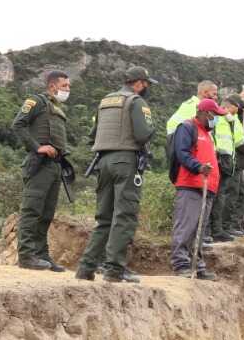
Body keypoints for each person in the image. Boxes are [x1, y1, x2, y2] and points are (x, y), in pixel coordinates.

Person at [74, 67, 157, 283]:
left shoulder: (105, 101)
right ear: (139, 83)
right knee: (125, 215)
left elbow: (92, 135)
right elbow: (143, 133)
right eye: (146, 84)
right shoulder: (136, 102)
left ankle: (86, 268)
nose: (147, 88)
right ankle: (114, 269)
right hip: (126, 161)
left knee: (103, 218)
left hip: (103, 162)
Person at [13, 70, 72, 271]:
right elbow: (18, 124)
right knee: (32, 210)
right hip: (39, 163)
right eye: (65, 86)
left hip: (55, 166)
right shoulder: (36, 101)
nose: (67, 89)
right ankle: (26, 256)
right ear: (53, 85)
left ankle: (41, 254)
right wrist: (37, 146)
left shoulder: (57, 108)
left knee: (47, 213)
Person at [168, 97, 222, 280]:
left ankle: (196, 265)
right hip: (191, 185)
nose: (217, 119)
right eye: (215, 115)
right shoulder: (188, 127)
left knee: (200, 228)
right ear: (206, 113)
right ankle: (181, 263)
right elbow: (181, 153)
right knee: (186, 225)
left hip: (207, 187)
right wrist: (198, 167)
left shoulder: (207, 134)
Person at [209, 92, 244, 241]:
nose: (239, 110)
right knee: (222, 196)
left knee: (227, 195)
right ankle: (218, 229)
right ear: (230, 105)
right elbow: (235, 142)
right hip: (220, 161)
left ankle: (222, 228)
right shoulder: (219, 118)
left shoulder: (232, 120)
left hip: (230, 161)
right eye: (238, 107)